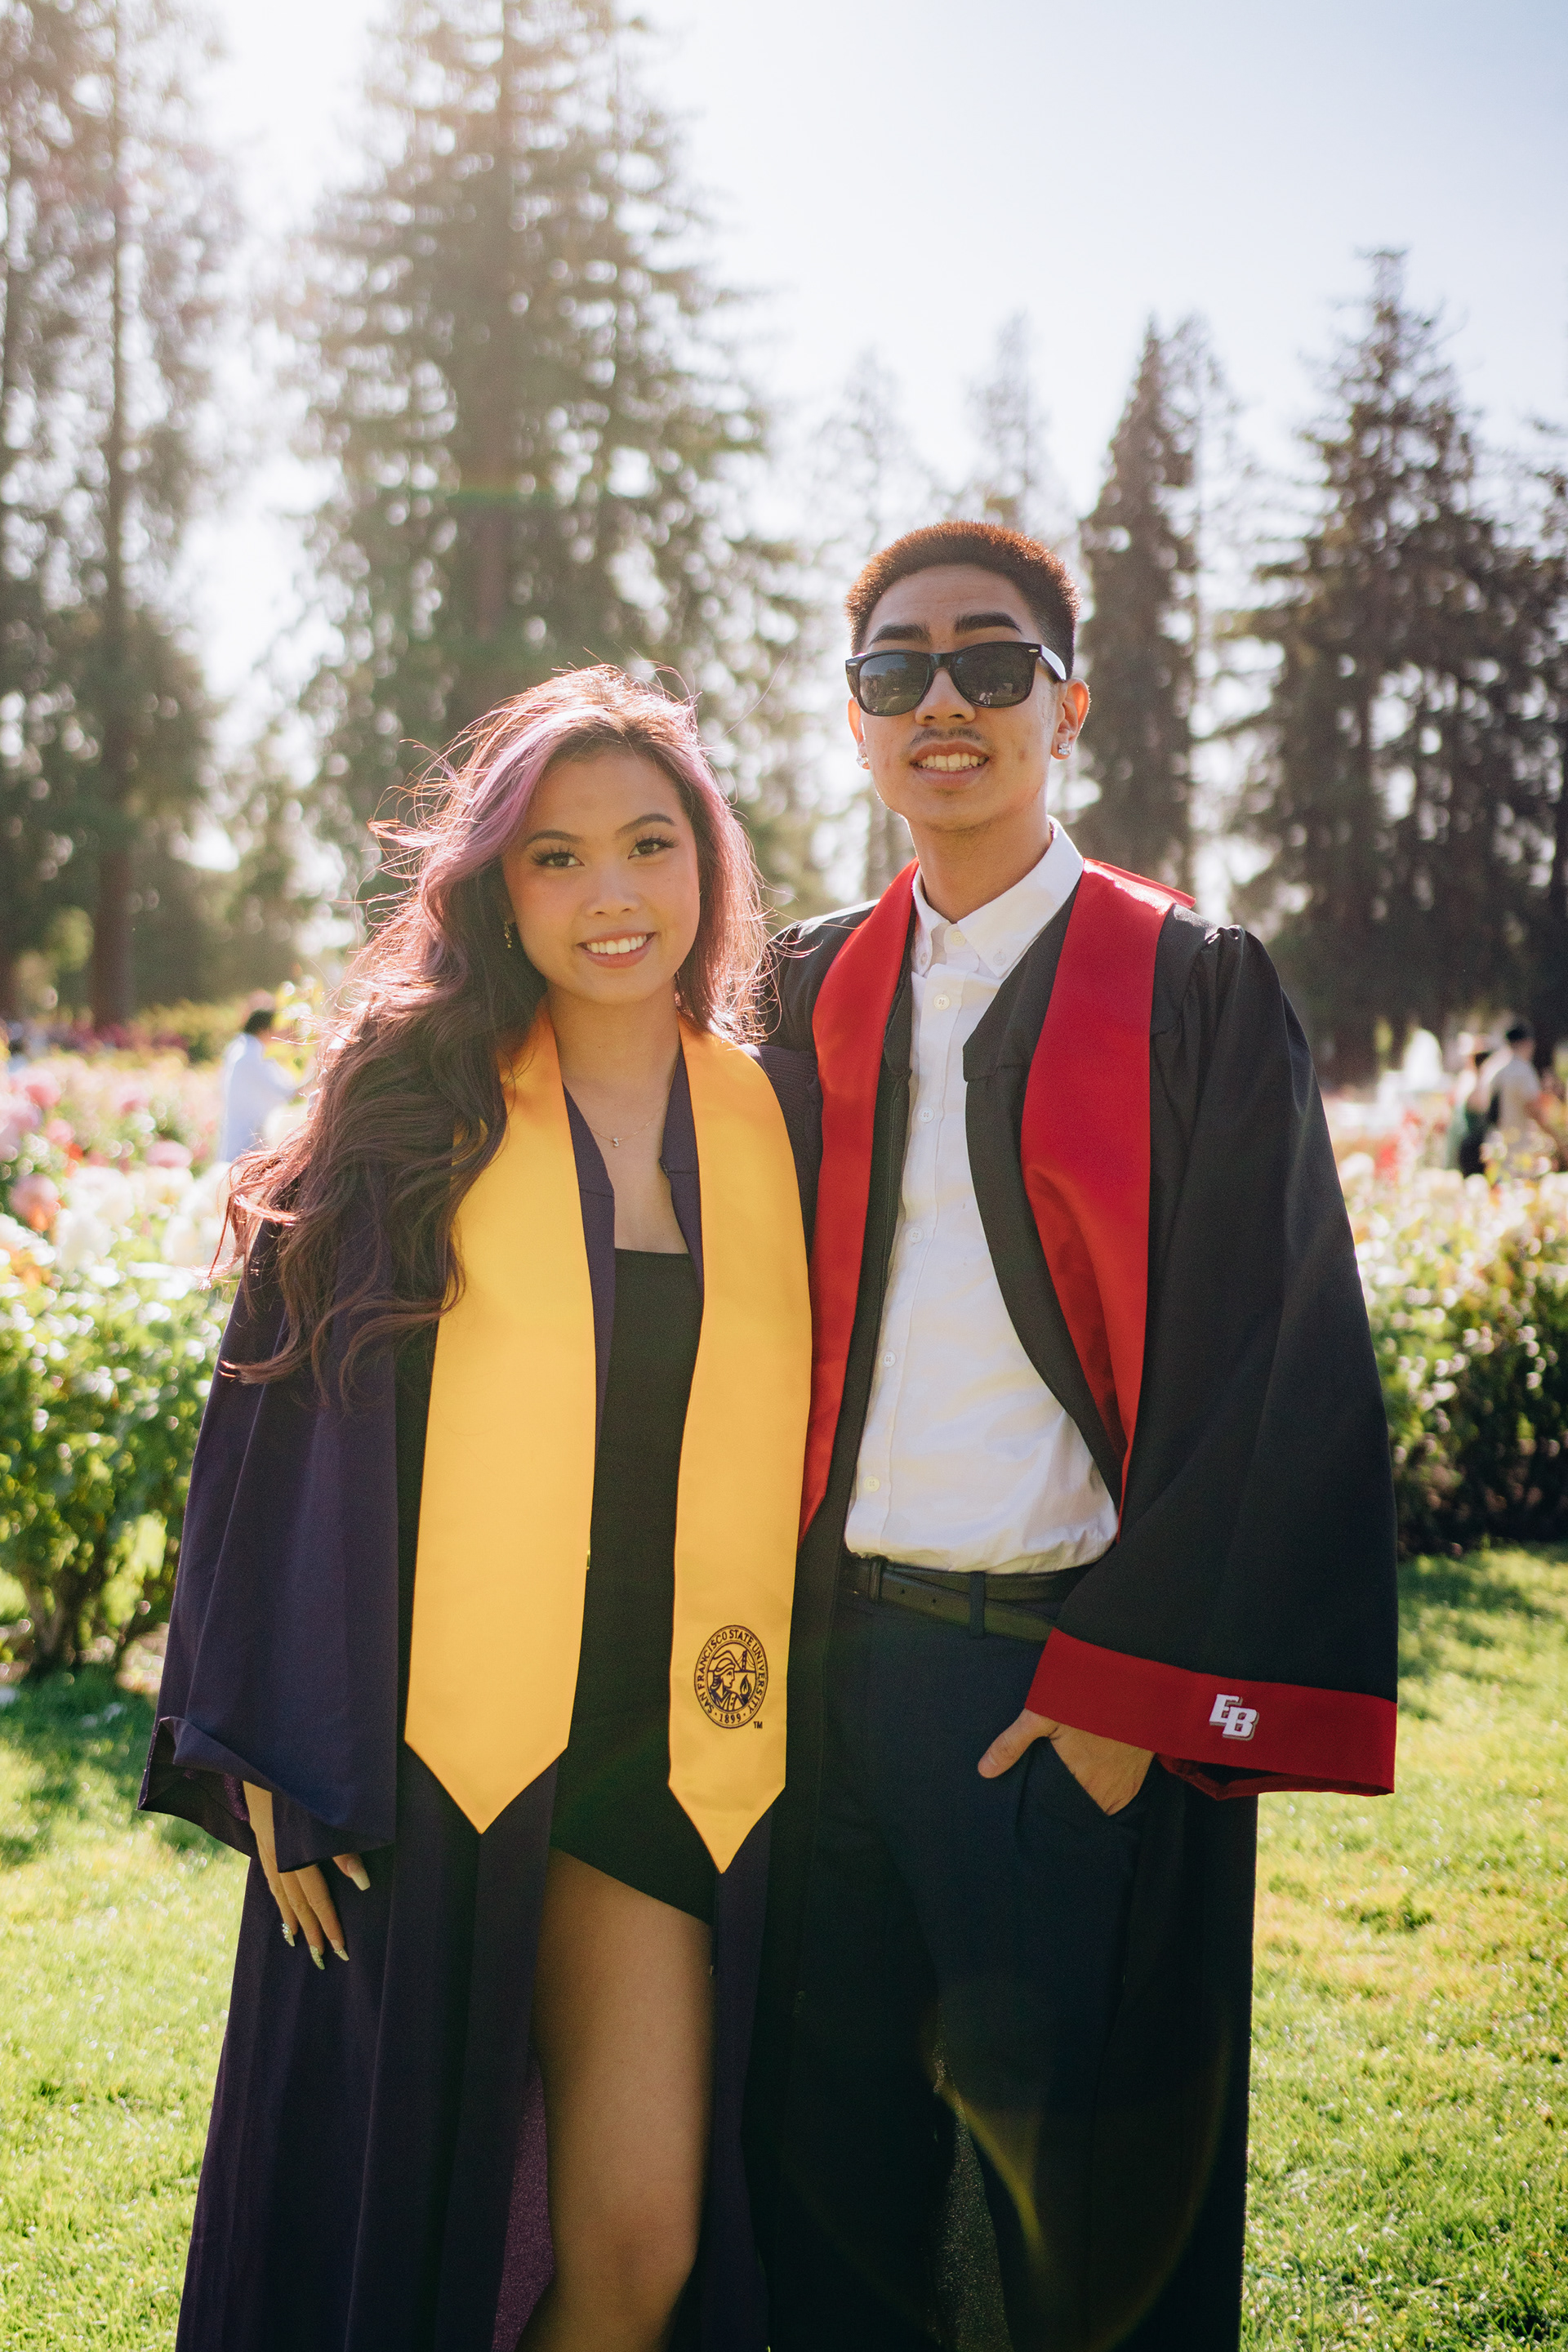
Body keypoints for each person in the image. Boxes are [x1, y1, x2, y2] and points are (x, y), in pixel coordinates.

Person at [748, 522, 1399, 2352]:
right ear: (857, 720)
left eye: (990, 661)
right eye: (896, 670)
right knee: (831, 2196)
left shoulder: (1191, 986)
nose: (941, 701)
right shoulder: (802, 990)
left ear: (1069, 703)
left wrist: (1130, 1697)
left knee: (1085, 2236)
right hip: (823, 1680)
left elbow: (1273, 1356)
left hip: (1054, 1697)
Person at [140, 669, 817, 2352]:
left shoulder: (770, 1121)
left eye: (649, 845)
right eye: (557, 857)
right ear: (497, 887)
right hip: (427, 1751)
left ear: (708, 862)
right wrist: (272, 1750)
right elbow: (276, 1426)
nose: (611, 894)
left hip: (669, 1751)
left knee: (644, 2243)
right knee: (400, 2234)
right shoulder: (413, 1106)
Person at [218, 1004, 303, 1161]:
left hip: (242, 1131)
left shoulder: (242, 1048)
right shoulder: (252, 1055)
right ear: (263, 1030)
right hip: (249, 1137)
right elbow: (286, 1091)